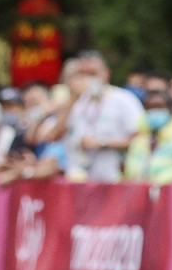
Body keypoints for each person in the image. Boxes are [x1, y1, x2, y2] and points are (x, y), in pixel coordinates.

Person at [46, 52, 145, 182]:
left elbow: (142, 138)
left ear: (106, 74)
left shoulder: (124, 99)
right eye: (82, 74)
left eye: (92, 74)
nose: (87, 79)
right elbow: (53, 136)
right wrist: (73, 99)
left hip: (113, 179)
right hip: (79, 179)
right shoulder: (78, 102)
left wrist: (102, 143)